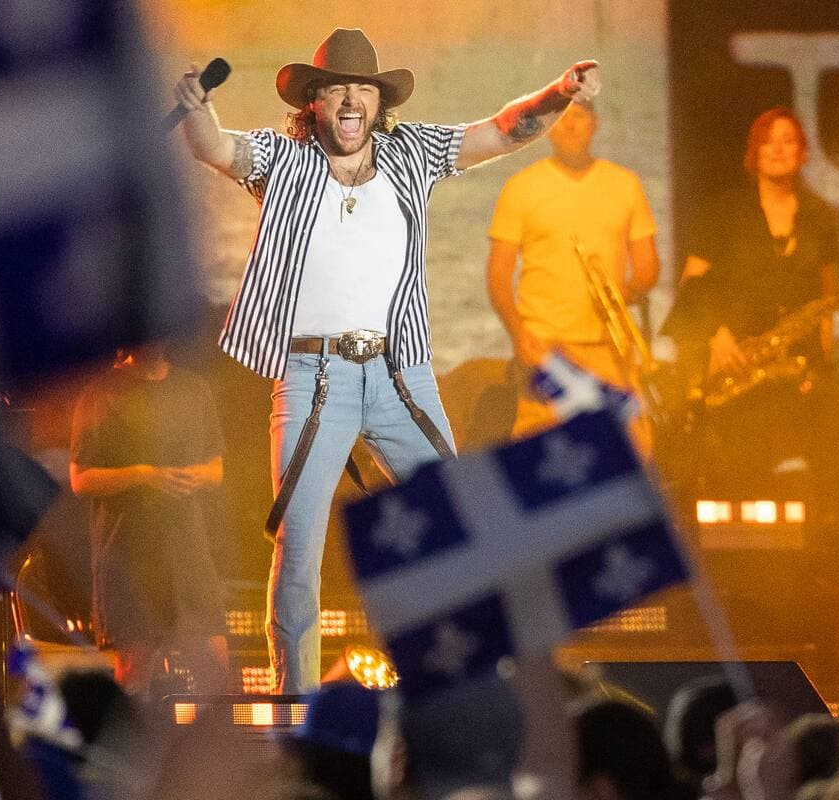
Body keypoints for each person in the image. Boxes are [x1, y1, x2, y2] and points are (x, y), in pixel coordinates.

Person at [172, 27, 601, 693]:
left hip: (399, 374)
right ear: (312, 103)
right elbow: (214, 148)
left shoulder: (413, 153)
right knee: (297, 551)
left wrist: (560, 92)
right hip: (313, 378)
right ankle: (299, 706)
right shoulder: (281, 160)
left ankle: (471, 678)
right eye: (336, 90)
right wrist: (198, 108)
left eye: (361, 91)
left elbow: (505, 130)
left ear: (378, 102)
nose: (349, 101)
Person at [663, 107, 839, 509]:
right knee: (744, 480)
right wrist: (717, 337)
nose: (778, 149)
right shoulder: (724, 212)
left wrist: (823, 365)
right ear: (754, 151)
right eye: (769, 139)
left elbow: (825, 300)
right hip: (739, 365)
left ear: (803, 152)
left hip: (797, 370)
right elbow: (690, 287)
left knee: (802, 485)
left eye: (789, 140)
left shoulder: (819, 217)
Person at [486, 101, 659, 451]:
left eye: (578, 117)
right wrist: (519, 333)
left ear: (594, 123)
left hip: (610, 351)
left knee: (630, 465)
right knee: (544, 471)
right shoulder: (522, 187)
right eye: (560, 119)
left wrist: (623, 292)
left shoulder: (625, 184)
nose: (569, 126)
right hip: (547, 350)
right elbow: (498, 274)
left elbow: (649, 266)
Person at [69, 343, 229, 695]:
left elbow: (216, 468)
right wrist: (143, 475)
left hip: (187, 550)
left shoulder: (194, 388)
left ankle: (209, 748)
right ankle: (132, 746)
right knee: (135, 667)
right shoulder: (101, 393)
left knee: (214, 661)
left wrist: (197, 475)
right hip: (128, 553)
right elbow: (81, 478)